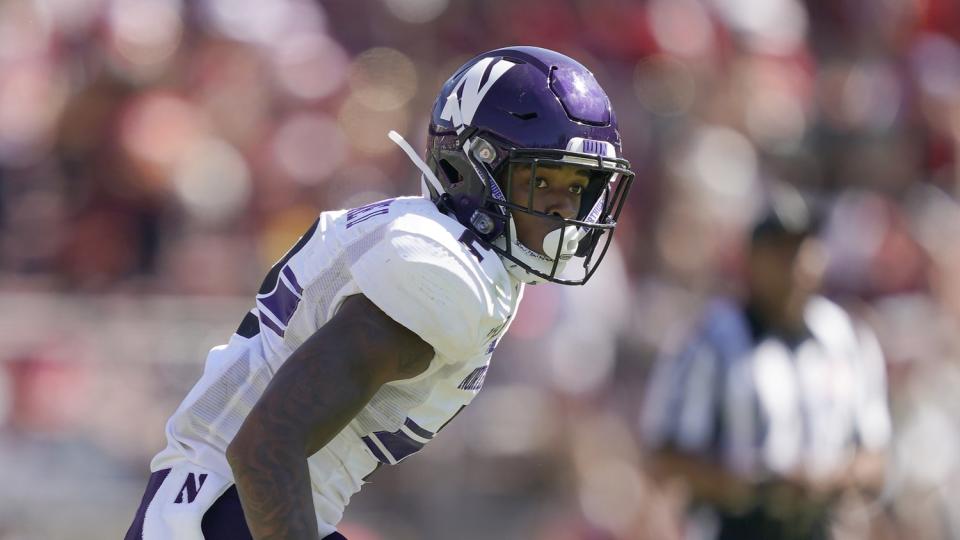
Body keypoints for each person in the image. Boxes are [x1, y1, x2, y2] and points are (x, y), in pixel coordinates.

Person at [124, 46, 635, 540]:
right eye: (542, 181)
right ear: (473, 168)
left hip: (221, 507)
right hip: (228, 516)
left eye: (578, 187)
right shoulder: (443, 273)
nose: (565, 209)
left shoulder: (446, 245)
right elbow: (265, 448)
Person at [640, 193, 891, 540]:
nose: (794, 264)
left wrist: (829, 479)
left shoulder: (847, 338)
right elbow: (664, 456)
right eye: (780, 251)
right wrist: (756, 487)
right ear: (752, 260)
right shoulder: (708, 341)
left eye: (802, 248)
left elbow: (875, 458)